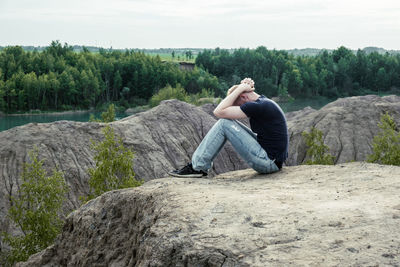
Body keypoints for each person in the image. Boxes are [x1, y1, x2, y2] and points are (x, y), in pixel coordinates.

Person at [168, 77, 288, 178]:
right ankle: (198, 166)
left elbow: (218, 111)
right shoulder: (264, 102)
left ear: (243, 97)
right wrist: (241, 88)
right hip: (273, 160)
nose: (239, 108)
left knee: (224, 123)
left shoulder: (258, 106)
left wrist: (240, 88)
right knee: (228, 121)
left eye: (239, 105)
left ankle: (198, 167)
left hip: (268, 162)